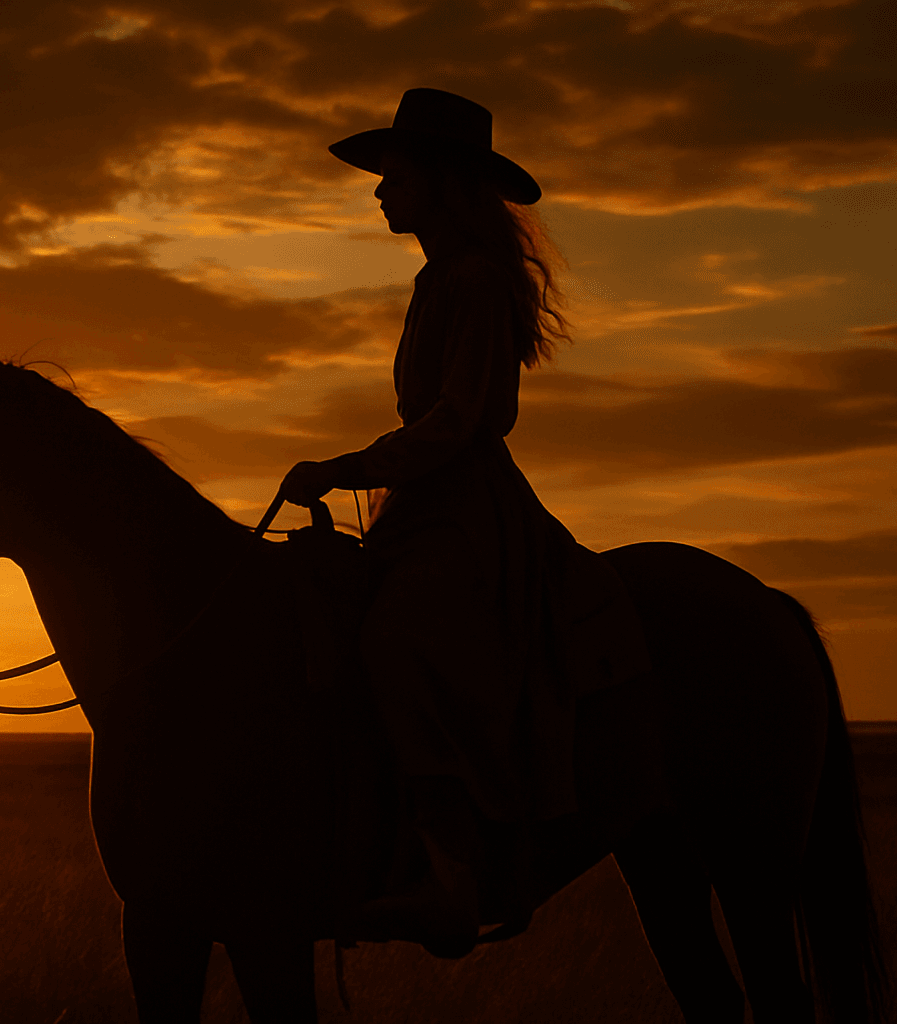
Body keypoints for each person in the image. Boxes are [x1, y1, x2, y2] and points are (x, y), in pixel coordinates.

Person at [280, 89, 650, 956]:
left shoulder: (476, 282)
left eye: (395, 177)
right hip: (424, 505)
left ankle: (451, 875)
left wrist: (346, 468)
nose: (379, 192)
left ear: (442, 183)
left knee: (396, 640)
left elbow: (458, 421)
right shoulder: (439, 277)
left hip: (465, 510)